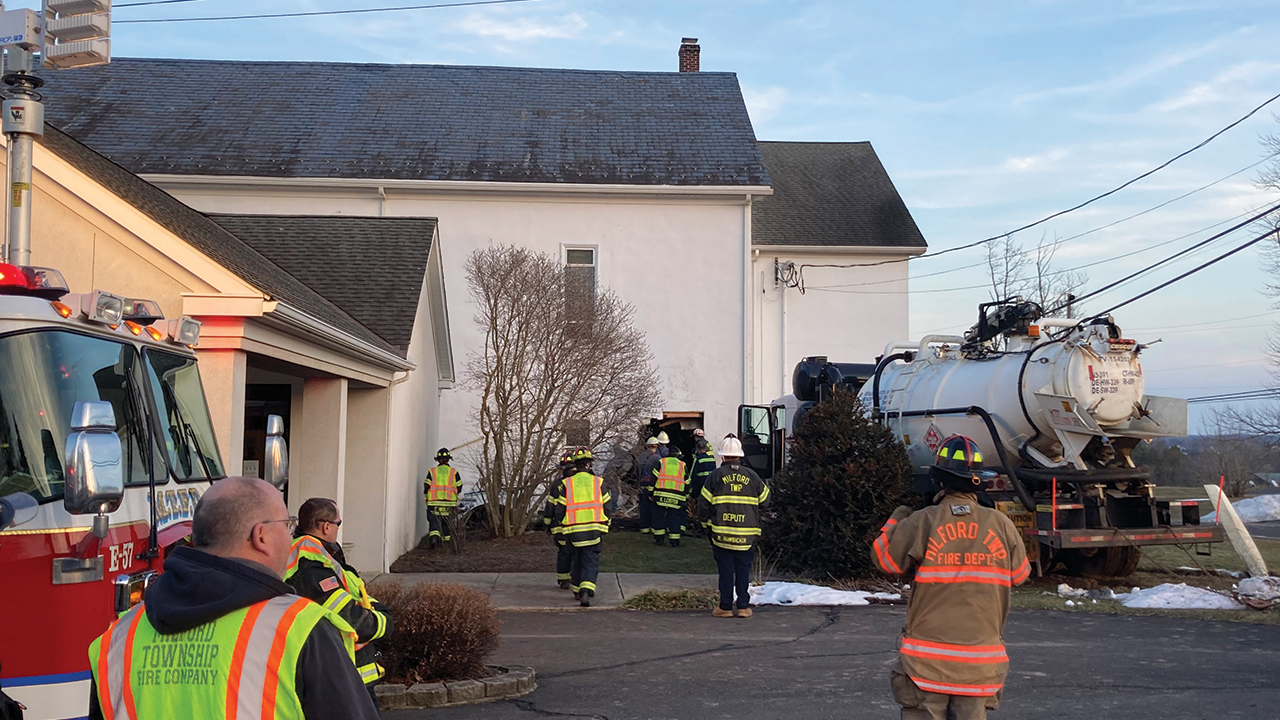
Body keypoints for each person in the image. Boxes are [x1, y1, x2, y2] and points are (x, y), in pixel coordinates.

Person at [87, 477, 378, 720]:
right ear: (261, 536)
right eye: (288, 526)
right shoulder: (299, 630)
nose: (292, 538)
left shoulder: (118, 640)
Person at [872, 435, 1031, 720]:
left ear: (939, 481)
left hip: (926, 667)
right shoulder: (1001, 524)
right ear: (978, 479)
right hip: (980, 667)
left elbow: (885, 560)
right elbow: (1020, 575)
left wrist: (898, 518)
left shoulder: (924, 520)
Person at [285, 498, 395, 704]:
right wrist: (384, 621)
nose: (338, 529)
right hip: (342, 675)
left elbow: (354, 593)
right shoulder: (311, 564)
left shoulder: (318, 556)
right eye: (338, 523)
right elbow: (353, 621)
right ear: (326, 526)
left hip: (341, 673)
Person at [697, 435, 770, 618]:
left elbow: (703, 506)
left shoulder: (715, 476)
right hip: (747, 534)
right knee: (743, 571)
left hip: (722, 534)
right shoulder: (752, 476)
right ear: (740, 455)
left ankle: (725, 607)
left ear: (722, 456)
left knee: (726, 571)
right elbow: (766, 500)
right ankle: (744, 607)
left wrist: (707, 526)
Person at [550, 446, 611, 607]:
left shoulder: (567, 483)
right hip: (593, 531)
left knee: (576, 560)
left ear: (575, 465)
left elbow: (559, 509)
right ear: (588, 464)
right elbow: (607, 506)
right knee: (590, 561)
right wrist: (606, 525)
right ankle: (586, 590)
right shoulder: (598, 482)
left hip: (573, 532)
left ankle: (577, 590)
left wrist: (563, 526)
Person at [542, 450, 576, 589]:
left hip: (560, 526)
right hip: (575, 525)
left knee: (564, 552)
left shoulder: (558, 484)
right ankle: (573, 579)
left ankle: (564, 580)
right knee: (575, 553)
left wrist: (547, 523)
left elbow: (550, 506)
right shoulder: (579, 483)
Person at [424, 447, 464, 548]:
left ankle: (434, 539)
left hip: (433, 502)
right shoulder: (454, 472)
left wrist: (427, 496)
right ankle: (446, 543)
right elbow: (459, 486)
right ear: (448, 459)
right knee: (446, 523)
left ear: (438, 460)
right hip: (449, 503)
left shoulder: (432, 471)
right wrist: (454, 495)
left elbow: (426, 486)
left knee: (433, 521)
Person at [651, 447, 689, 546]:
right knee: (674, 518)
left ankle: (659, 539)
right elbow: (687, 482)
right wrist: (687, 495)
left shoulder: (661, 462)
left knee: (659, 517)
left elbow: (653, 478)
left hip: (660, 495)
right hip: (676, 497)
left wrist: (651, 492)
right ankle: (675, 541)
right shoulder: (682, 465)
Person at [686, 437, 718, 536]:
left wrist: (691, 491)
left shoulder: (698, 460)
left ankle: (701, 529)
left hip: (700, 489)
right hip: (711, 488)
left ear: (698, 450)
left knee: (701, 509)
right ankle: (709, 528)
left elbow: (692, 476)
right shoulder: (712, 459)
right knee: (709, 508)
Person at [635, 436, 661, 536]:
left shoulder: (640, 457)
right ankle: (653, 528)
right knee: (653, 508)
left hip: (641, 485)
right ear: (657, 446)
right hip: (653, 486)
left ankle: (644, 528)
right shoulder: (657, 458)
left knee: (643, 508)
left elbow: (637, 472)